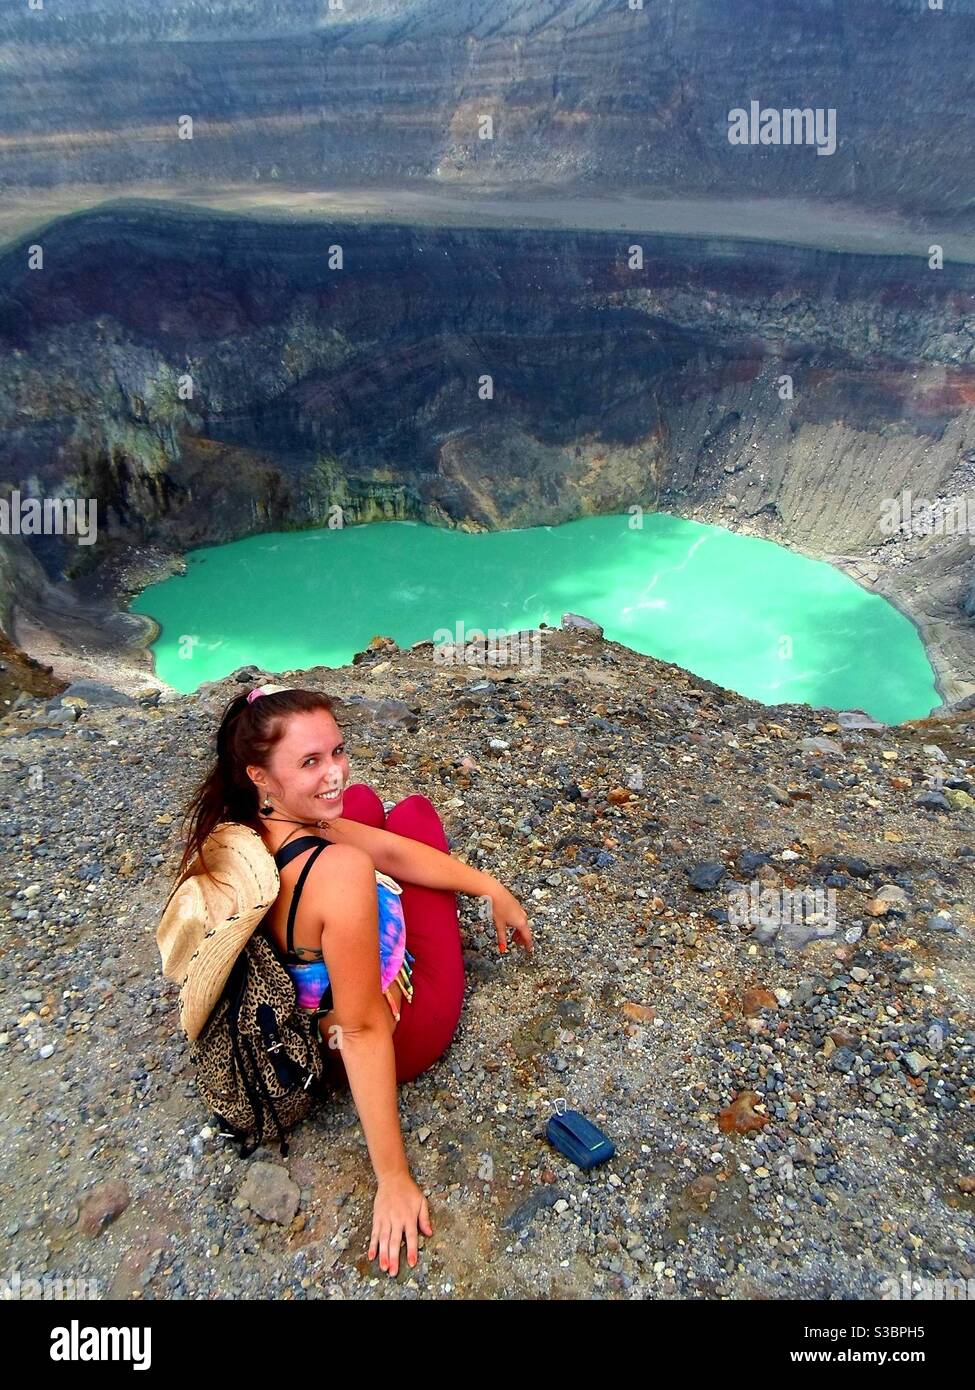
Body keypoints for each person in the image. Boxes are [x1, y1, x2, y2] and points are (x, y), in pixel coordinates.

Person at [168, 683, 533, 1277]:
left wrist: (490, 887)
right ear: (260, 773)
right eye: (310, 762)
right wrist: (392, 1177)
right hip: (390, 1034)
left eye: (336, 750)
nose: (334, 771)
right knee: (414, 814)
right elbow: (363, 1031)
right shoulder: (336, 871)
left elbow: (379, 847)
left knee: (362, 803)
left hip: (300, 1022)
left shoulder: (242, 827)